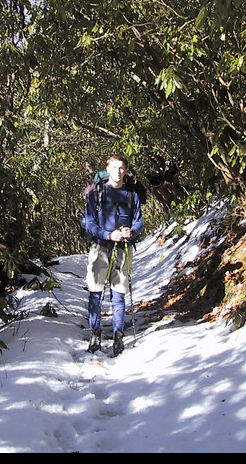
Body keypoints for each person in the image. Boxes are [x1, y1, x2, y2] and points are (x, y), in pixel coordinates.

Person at [83, 153, 143, 356]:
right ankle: (95, 333)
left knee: (119, 292)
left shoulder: (131, 194)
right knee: (95, 291)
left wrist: (131, 232)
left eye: (122, 168)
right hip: (100, 246)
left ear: (125, 171)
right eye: (114, 167)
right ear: (107, 169)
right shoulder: (97, 193)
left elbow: (138, 220)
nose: (118, 171)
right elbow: (90, 223)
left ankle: (118, 336)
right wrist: (107, 234)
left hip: (123, 248)